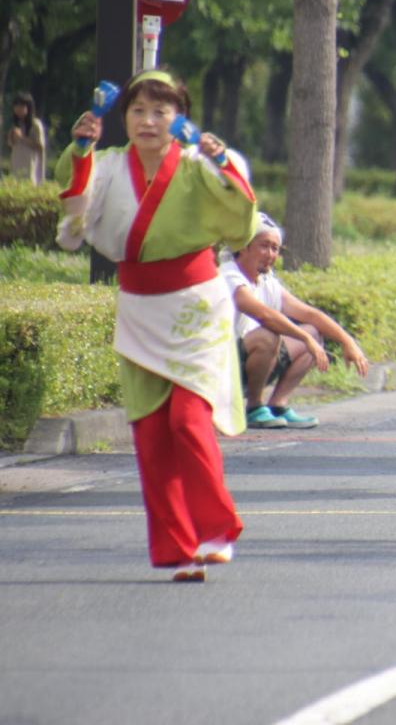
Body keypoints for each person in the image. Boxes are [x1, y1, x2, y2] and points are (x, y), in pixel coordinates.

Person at [55, 69, 256, 582]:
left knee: (188, 421)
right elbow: (75, 215)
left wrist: (218, 158)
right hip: (139, 309)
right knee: (149, 432)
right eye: (138, 110)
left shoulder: (196, 164)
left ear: (179, 116)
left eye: (161, 111)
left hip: (195, 307)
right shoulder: (106, 165)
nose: (148, 121)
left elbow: (241, 208)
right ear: (123, 117)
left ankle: (216, 530)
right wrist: (79, 151)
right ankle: (177, 549)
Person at [218, 212, 369, 428]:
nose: (270, 254)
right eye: (264, 246)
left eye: (275, 248)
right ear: (244, 247)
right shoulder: (228, 275)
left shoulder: (267, 281)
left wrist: (348, 342)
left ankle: (277, 405)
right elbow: (264, 315)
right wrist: (304, 337)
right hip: (223, 366)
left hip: (251, 363)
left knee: (314, 331)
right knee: (269, 335)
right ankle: (254, 407)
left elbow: (311, 315)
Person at [8, 91, 46, 183]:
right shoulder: (16, 125)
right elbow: (10, 144)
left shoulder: (35, 124)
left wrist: (22, 138)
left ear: (28, 107)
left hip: (30, 167)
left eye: (21, 106)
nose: (18, 109)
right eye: (16, 106)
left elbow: (40, 146)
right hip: (16, 167)